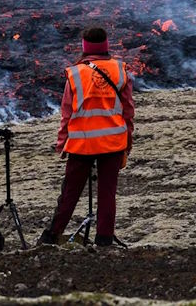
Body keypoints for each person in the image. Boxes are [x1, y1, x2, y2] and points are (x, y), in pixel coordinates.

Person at [39, 26, 135, 246]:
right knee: (107, 194)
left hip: (81, 143)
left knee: (70, 194)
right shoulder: (120, 70)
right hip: (112, 141)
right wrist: (127, 143)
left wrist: (62, 144)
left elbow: (67, 112)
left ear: (84, 46)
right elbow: (128, 110)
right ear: (106, 45)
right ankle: (104, 240)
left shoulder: (75, 73)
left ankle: (51, 239)